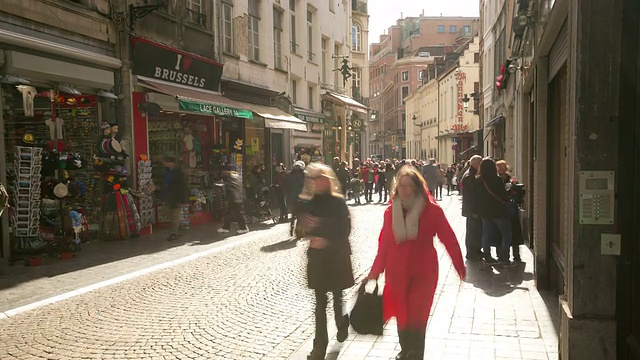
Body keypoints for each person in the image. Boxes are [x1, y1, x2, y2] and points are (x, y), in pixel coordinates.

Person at [367, 166, 466, 360]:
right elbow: (384, 243)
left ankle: (415, 353)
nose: (404, 190)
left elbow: (449, 237)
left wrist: (459, 266)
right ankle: (406, 350)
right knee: (402, 313)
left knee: (418, 315)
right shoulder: (390, 212)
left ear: (417, 187)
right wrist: (375, 270)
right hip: (396, 271)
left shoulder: (431, 210)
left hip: (424, 271)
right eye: (401, 185)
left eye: (408, 185)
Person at [297, 163, 354, 360]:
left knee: (337, 299)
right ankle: (319, 347)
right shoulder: (309, 201)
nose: (314, 182)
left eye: (318, 177)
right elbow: (301, 228)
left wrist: (325, 237)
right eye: (311, 178)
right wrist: (304, 229)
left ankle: (342, 322)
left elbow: (344, 229)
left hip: (336, 257)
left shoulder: (338, 202)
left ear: (327, 179)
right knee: (320, 305)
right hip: (318, 260)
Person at [476, 158, 515, 266]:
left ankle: (488, 257)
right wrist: (510, 190)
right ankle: (504, 259)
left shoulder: (479, 180)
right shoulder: (497, 179)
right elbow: (503, 195)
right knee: (506, 234)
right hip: (498, 211)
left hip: (484, 211)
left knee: (486, 235)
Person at [461, 155, 484, 260]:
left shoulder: (472, 174)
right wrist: (474, 211)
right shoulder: (470, 176)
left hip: (473, 209)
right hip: (472, 210)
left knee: (475, 231)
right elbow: (470, 196)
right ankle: (472, 252)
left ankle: (475, 251)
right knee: (473, 232)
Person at [162, 157, 189, 241]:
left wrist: (184, 199)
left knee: (174, 215)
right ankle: (175, 230)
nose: (164, 163)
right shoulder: (167, 172)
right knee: (171, 215)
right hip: (169, 196)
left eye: (166, 162)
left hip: (175, 197)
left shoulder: (179, 173)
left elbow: (183, 187)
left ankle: (175, 233)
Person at [217, 165, 249, 234]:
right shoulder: (237, 177)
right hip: (236, 197)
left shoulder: (230, 178)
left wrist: (222, 184)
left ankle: (244, 227)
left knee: (238, 213)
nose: (223, 172)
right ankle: (226, 227)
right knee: (228, 213)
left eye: (224, 171)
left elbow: (229, 186)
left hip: (234, 198)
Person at [285, 161, 306, 238]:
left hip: (291, 197)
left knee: (293, 214)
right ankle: (298, 231)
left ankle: (291, 227)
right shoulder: (304, 175)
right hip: (301, 197)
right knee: (300, 215)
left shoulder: (289, 174)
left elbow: (286, 186)